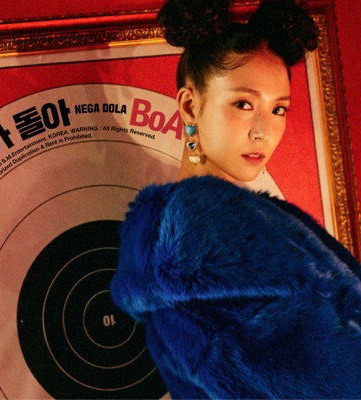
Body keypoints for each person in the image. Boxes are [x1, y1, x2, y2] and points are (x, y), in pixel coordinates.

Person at [110, 0, 361, 398]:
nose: (264, 130)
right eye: (243, 104)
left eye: (279, 109)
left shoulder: (256, 219)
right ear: (190, 105)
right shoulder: (200, 236)